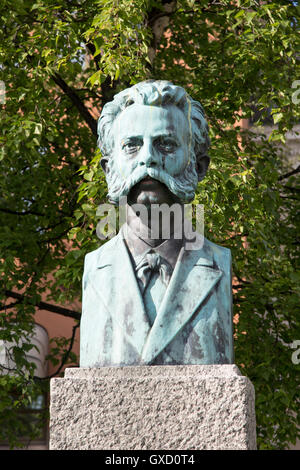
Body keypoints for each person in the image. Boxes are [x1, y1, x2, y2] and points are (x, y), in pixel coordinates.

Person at [80, 80, 234, 367]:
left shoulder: (219, 264)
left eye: (165, 144)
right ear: (109, 168)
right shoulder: (95, 270)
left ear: (198, 166)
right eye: (131, 146)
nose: (148, 157)